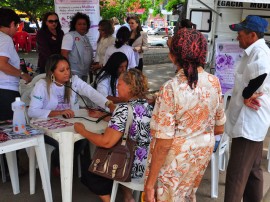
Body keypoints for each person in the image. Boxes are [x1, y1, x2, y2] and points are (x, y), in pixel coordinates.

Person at [144, 28, 226, 201]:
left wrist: (150, 184)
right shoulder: (214, 82)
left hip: (173, 159)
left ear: (173, 55)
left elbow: (164, 143)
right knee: (187, 196)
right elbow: (219, 128)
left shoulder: (171, 88)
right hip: (199, 154)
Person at [74, 68, 153, 202]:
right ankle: (128, 197)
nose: (117, 86)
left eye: (120, 84)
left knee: (90, 170)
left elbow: (106, 142)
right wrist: (105, 116)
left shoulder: (123, 109)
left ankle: (108, 200)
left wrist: (82, 130)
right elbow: (130, 121)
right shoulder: (147, 105)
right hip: (147, 164)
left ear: (130, 87)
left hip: (130, 168)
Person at [28, 54, 114, 175]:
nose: (67, 73)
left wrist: (108, 103)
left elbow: (90, 92)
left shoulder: (74, 81)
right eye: (62, 70)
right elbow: (32, 111)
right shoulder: (41, 85)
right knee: (63, 142)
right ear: (52, 72)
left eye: (68, 68)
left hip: (69, 124)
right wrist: (59, 112)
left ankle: (65, 165)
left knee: (82, 139)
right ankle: (59, 164)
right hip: (47, 128)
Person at [224, 15, 270, 202]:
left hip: (248, 124)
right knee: (253, 172)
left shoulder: (260, 52)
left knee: (236, 175)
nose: (237, 37)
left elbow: (262, 72)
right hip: (252, 123)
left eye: (240, 34)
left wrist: (246, 94)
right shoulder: (256, 51)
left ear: (252, 35)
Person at [0, 7, 32, 121]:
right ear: (12, 24)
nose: (17, 29)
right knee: (10, 132)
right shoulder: (5, 39)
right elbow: (2, 64)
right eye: (17, 26)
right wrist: (23, 74)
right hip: (5, 92)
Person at [61, 12, 93, 82]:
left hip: (84, 72)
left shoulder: (85, 37)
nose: (82, 26)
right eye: (79, 24)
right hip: (73, 73)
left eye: (84, 24)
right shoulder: (69, 36)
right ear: (74, 25)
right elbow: (64, 54)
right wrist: (67, 71)